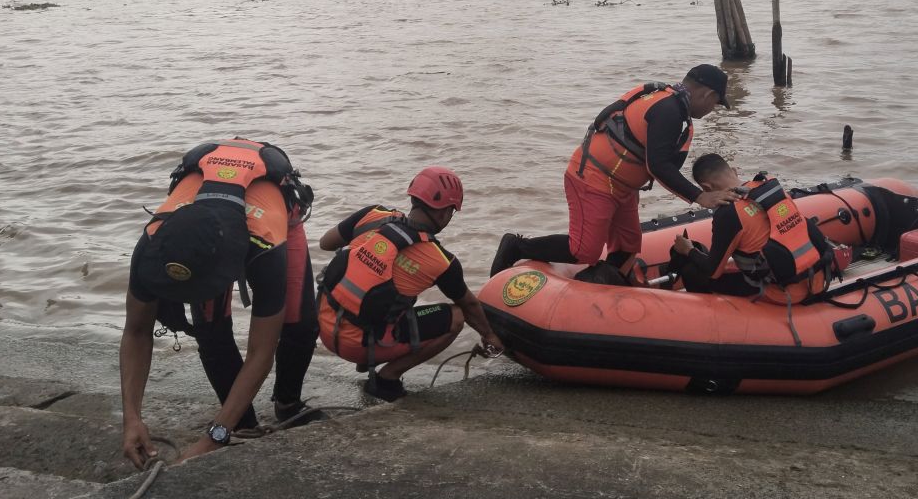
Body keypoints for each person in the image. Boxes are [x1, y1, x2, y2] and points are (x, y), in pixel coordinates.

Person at [119, 138, 317, 469]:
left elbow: (260, 353)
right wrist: (132, 418)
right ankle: (243, 424)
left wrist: (213, 438)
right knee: (209, 331)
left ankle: (287, 403)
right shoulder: (152, 245)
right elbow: (136, 332)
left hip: (275, 202)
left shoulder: (266, 250)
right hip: (204, 216)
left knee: (299, 322)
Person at [490, 65, 738, 277]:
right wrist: (700, 196)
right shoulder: (669, 110)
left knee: (629, 246)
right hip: (593, 180)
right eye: (716, 103)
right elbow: (659, 166)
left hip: (622, 187)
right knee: (584, 250)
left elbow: (661, 163)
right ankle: (518, 247)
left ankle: (604, 289)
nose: (712, 110)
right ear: (707, 94)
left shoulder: (674, 107)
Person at [317, 166, 504, 402]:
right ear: (445, 212)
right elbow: (469, 305)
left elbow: (326, 243)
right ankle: (387, 379)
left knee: (383, 294)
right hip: (358, 345)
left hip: (324, 328)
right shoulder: (441, 260)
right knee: (455, 316)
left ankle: (368, 359)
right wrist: (490, 336)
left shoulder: (372, 215)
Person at [668, 153, 833, 299]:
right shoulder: (770, 188)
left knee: (691, 271)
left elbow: (713, 271)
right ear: (734, 171)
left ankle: (715, 323)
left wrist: (688, 250)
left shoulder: (728, 213)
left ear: (706, 188)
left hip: (783, 291)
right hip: (816, 278)